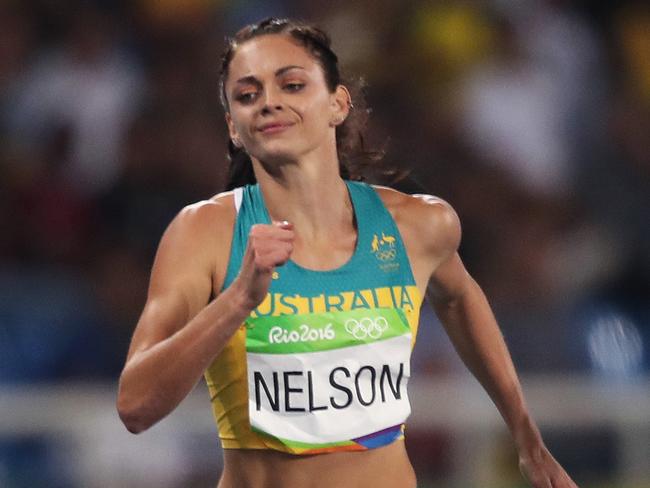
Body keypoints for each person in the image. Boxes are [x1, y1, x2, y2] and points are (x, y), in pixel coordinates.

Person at [116, 17, 578, 488]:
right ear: (233, 127)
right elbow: (135, 406)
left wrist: (527, 437)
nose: (270, 102)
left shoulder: (417, 226)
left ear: (337, 103)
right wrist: (237, 301)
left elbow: (458, 297)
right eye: (247, 95)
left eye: (292, 84)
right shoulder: (205, 234)